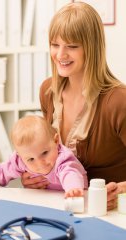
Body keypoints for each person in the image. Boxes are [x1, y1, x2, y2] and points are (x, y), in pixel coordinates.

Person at [21, 2, 126, 210]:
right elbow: (51, 155)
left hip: (110, 215)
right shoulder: (48, 91)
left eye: (72, 46)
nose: (60, 55)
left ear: (92, 48)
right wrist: (35, 174)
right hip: (62, 207)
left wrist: (124, 190)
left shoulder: (118, 101)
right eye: (55, 44)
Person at [0, 115, 87, 198]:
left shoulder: (62, 158)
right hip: (44, 200)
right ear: (20, 156)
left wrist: (73, 189)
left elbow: (70, 173)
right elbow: (2, 172)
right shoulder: (19, 161)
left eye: (44, 153)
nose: (40, 163)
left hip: (70, 198)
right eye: (31, 159)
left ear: (56, 141)